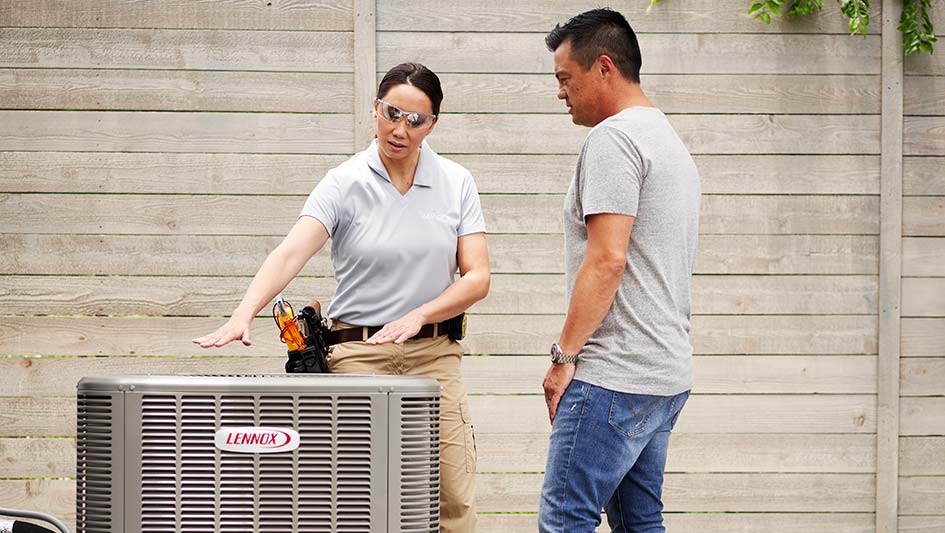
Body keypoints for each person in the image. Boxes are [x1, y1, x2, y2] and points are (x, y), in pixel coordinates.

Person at [192, 62, 489, 533]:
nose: (401, 129)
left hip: (435, 357)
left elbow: (477, 278)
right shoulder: (344, 181)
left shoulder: (456, 182)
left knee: (451, 499)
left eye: (416, 120)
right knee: (351, 500)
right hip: (357, 357)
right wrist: (242, 313)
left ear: (433, 124)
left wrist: (420, 315)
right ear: (375, 108)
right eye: (392, 113)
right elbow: (290, 252)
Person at [538, 9, 701, 533]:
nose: (560, 92)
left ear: (603, 67)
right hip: (663, 375)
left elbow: (607, 259)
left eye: (566, 78)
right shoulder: (669, 142)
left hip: (613, 377)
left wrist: (564, 357)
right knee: (639, 521)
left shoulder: (615, 140)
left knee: (565, 521)